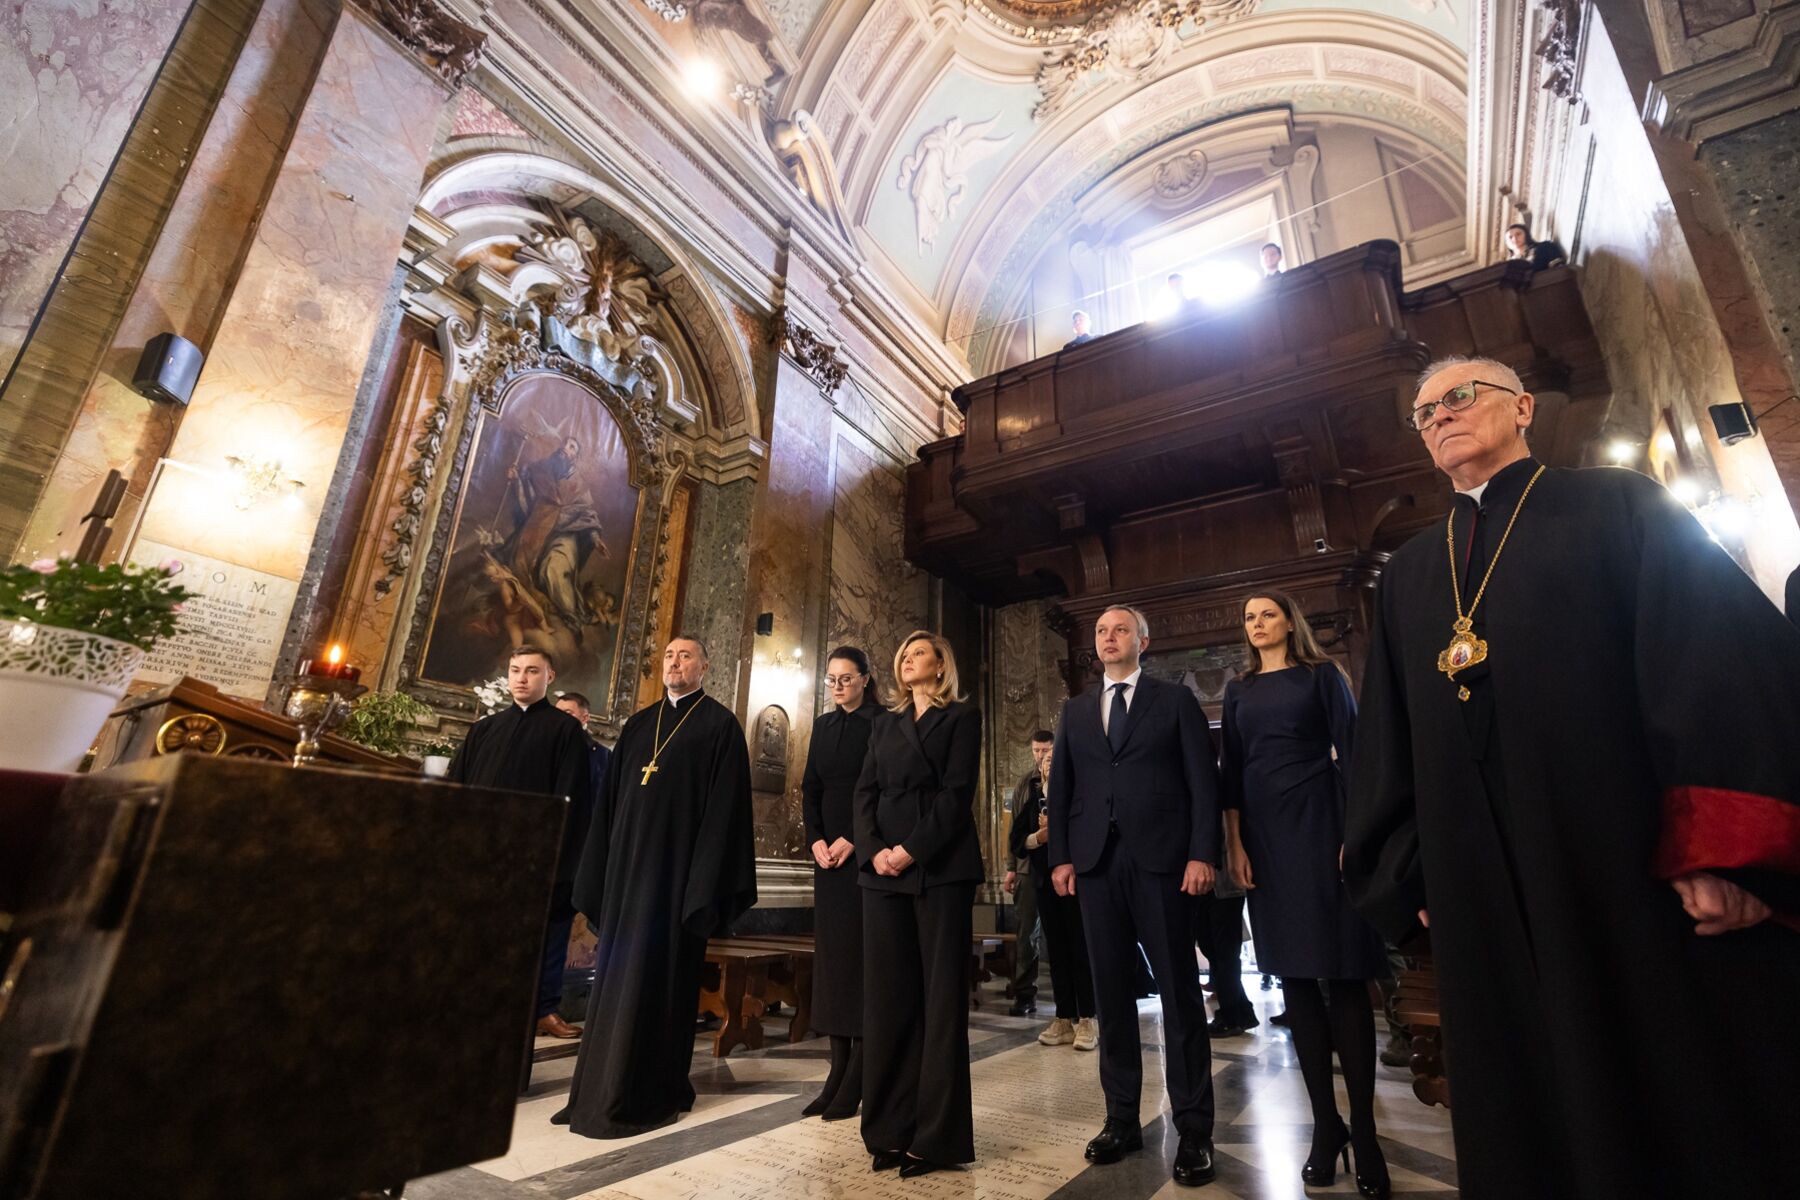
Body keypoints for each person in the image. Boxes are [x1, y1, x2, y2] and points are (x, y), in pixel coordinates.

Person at [1344, 355, 1800, 1197]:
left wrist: (1723, 853)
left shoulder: (1618, 505)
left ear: (1521, 407)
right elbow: (1386, 742)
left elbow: (1711, 672)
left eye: (1459, 397)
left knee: (1666, 1101)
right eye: (1424, 412)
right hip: (1478, 899)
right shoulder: (1409, 572)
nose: (1440, 415)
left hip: (1623, 872)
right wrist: (1409, 871)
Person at [554, 636, 756, 1138]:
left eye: (685, 656)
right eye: (668, 655)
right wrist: (598, 870)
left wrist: (702, 886)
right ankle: (597, 1086)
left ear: (705, 666)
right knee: (616, 979)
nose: (674, 662)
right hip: (626, 877)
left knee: (660, 981)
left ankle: (655, 1086)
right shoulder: (640, 725)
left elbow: (725, 814)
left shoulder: (719, 726)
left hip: (676, 882)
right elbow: (607, 808)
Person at [1222, 591, 1389, 1196]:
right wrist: (1235, 846)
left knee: (1344, 977)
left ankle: (1366, 1132)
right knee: (1294, 982)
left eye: (1267, 613)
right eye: (1249, 618)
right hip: (1265, 841)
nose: (1257, 623)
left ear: (1290, 621)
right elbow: (1231, 776)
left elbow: (1358, 752)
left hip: (1324, 825)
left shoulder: (1323, 675)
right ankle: (1327, 1127)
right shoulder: (1238, 690)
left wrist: (1355, 834)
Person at [1048, 606, 1221, 1188]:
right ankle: (1122, 1118)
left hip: (1163, 863)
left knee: (1178, 992)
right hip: (1096, 865)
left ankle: (1195, 1127)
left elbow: (1204, 783)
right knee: (1111, 996)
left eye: (1119, 629)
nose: (1108, 637)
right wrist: (1062, 858)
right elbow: (1063, 788)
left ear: (1142, 641)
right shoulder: (1074, 712)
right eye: (1100, 631)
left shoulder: (1173, 701)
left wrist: (1203, 854)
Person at [854, 631, 983, 1179]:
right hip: (883, 875)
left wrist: (910, 850)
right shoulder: (882, 724)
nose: (907, 659)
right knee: (889, 1003)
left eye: (918, 654)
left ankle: (936, 1139)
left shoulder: (961, 720)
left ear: (941, 665)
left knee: (940, 1004)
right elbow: (864, 794)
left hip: (940, 869)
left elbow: (956, 795)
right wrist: (878, 851)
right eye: (903, 654)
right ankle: (887, 1130)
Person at [446, 648, 591, 1040]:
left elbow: (572, 801)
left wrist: (557, 862)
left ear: (550, 677)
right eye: (515, 671)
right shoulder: (484, 729)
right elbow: (455, 789)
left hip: (533, 863)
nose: (521, 678)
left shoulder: (565, 732)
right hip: (479, 858)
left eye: (531, 671)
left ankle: (539, 1010)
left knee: (532, 946)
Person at [799, 646, 880, 1120]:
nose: (837, 686)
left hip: (861, 857)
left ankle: (860, 1073)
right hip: (826, 861)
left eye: (846, 679)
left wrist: (853, 838)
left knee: (859, 961)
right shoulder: (825, 726)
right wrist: (816, 840)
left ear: (865, 680)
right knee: (832, 963)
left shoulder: (881, 723)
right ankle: (837, 1068)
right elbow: (810, 787)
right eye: (831, 680)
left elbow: (880, 788)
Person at [525, 690, 607, 1040]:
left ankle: (546, 1008)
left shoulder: (600, 757)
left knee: (556, 935)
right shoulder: (538, 747)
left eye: (569, 713)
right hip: (530, 854)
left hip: (571, 858)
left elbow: (602, 810)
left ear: (585, 718)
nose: (561, 719)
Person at [1009, 729, 1097, 1050]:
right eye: (1044, 761)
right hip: (1044, 882)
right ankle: (1064, 1017)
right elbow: (1017, 840)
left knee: (1080, 947)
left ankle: (1088, 1017)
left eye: (1052, 760)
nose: (1047, 764)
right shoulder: (1034, 798)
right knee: (1056, 950)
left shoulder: (1077, 794)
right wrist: (1039, 838)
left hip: (1075, 881)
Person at [1002, 734, 1049, 1017]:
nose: (1040, 755)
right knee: (1026, 933)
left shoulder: (1066, 772)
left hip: (1058, 866)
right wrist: (1011, 867)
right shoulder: (1025, 783)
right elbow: (1014, 830)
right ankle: (1024, 993)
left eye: (1045, 750)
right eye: (1036, 750)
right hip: (1027, 867)